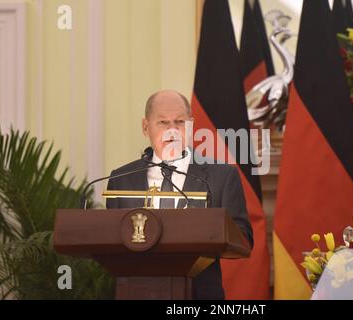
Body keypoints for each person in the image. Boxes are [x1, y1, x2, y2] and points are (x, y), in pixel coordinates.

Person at [106, 89, 253, 300]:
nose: (172, 130)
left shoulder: (221, 176)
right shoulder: (121, 179)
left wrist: (202, 233)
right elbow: (112, 240)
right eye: (163, 123)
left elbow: (243, 238)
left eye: (180, 122)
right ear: (145, 127)